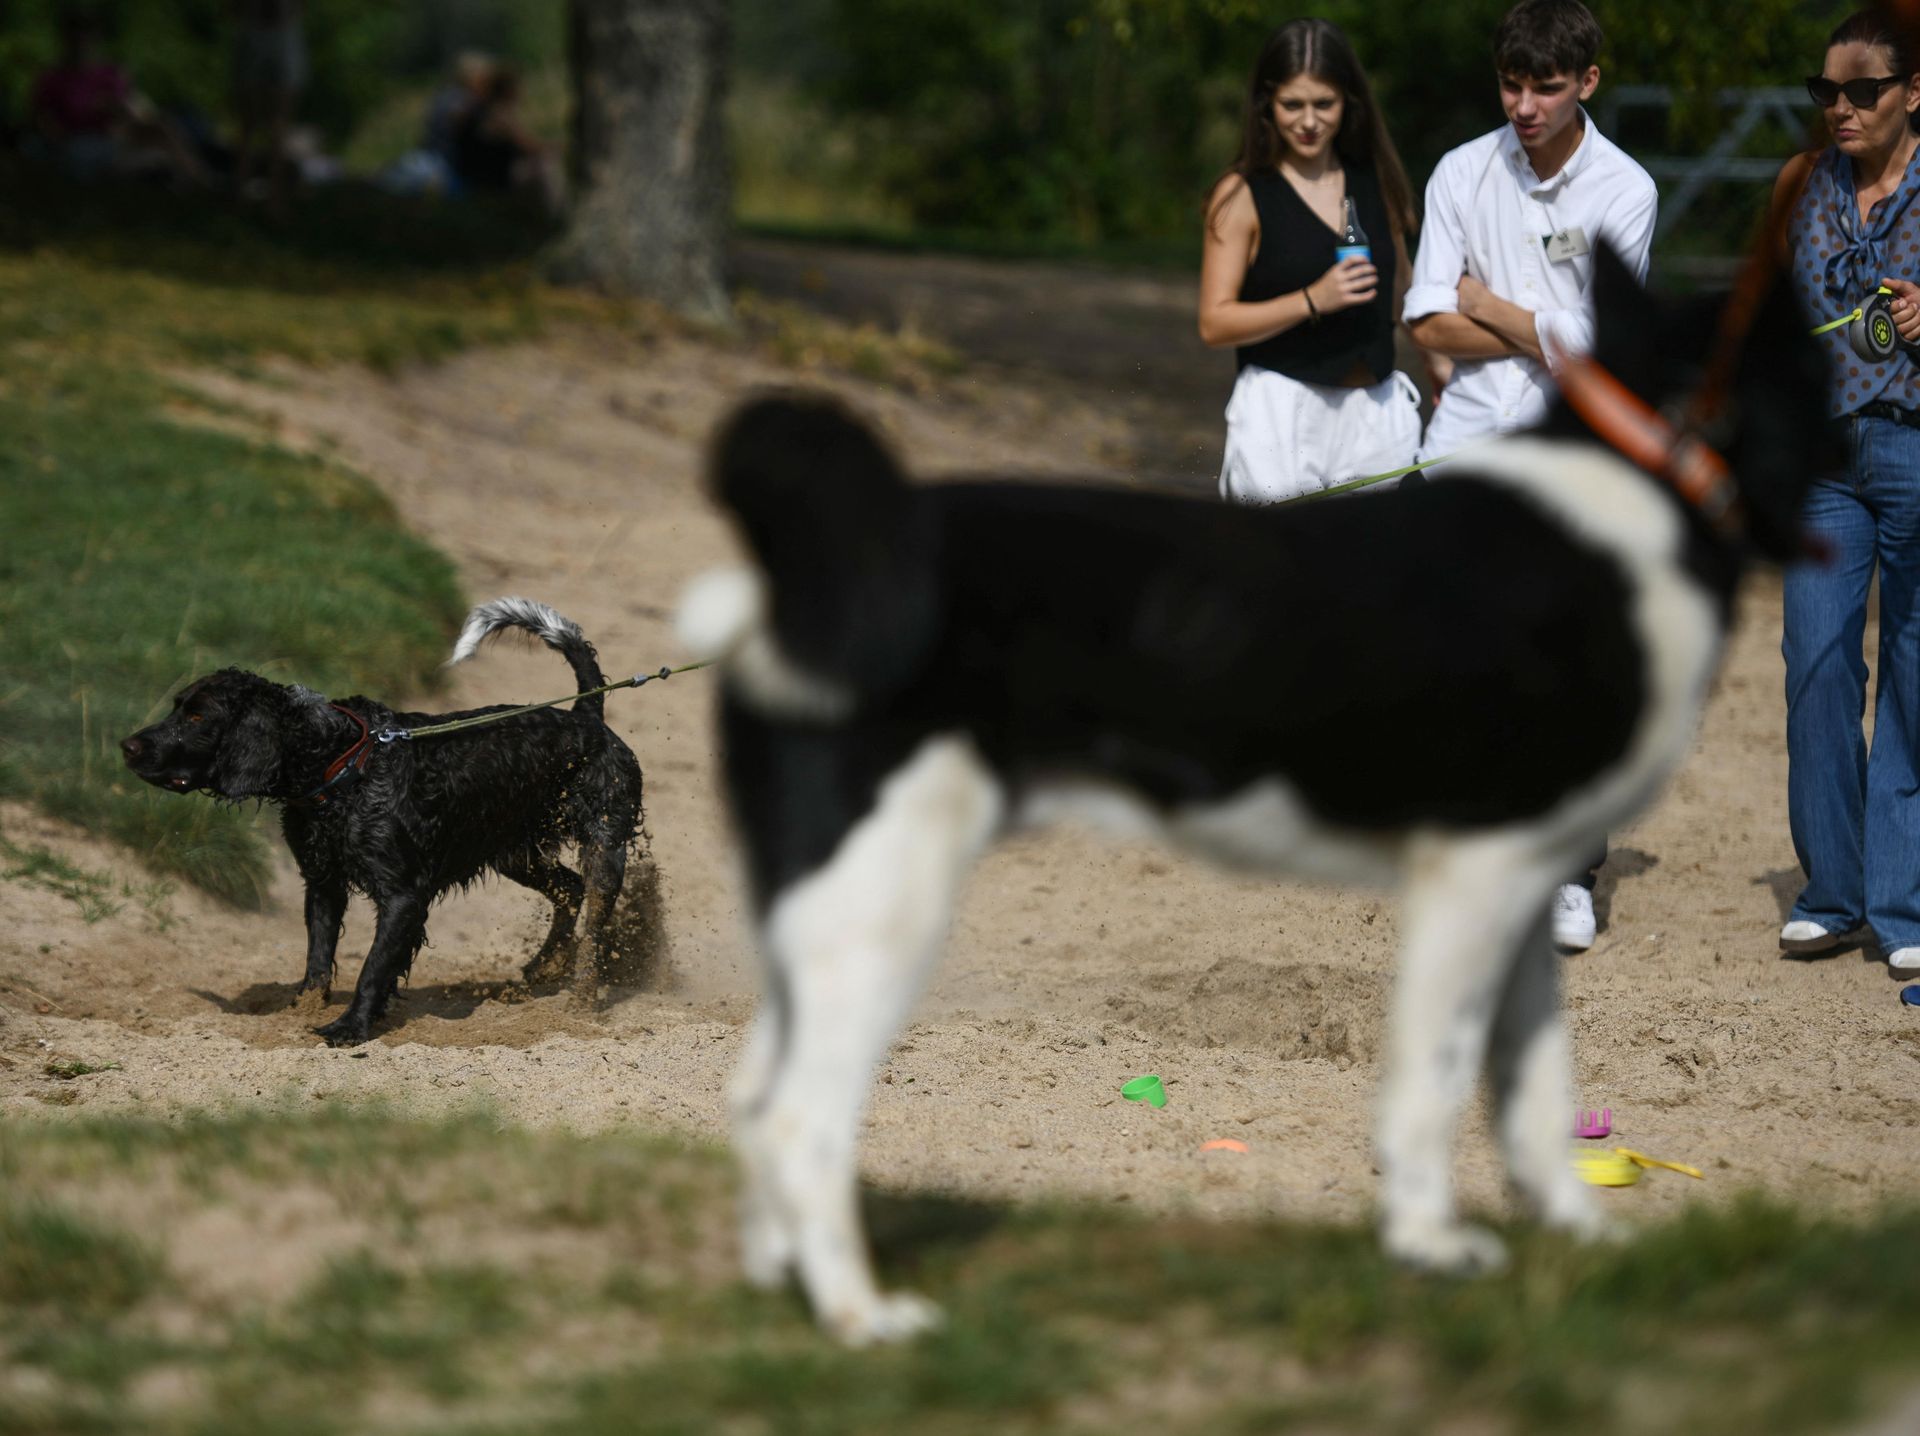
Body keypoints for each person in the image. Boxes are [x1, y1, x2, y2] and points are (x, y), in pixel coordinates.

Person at [1402, 0, 1657, 952]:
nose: (1524, 104)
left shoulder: (1625, 189)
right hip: (1464, 441)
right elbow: (1425, 322)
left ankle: (1566, 876)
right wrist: (1540, 326)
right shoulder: (1460, 171)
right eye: (1512, 83)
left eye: (1546, 85)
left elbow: (1601, 354)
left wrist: (1490, 304)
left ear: (1587, 81)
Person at [1774, 9, 1920, 975]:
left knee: (1914, 677)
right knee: (1817, 663)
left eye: (1863, 91)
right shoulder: (1803, 185)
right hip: (1823, 465)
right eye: (1827, 92)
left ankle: (1903, 906)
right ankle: (1833, 894)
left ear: (1913, 93)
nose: (1842, 108)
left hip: (1916, 449)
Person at [1198, 18, 1424, 506]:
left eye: (1324, 104)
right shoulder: (1241, 194)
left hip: (1377, 414)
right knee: (1283, 575)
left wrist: (1447, 364)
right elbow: (1214, 323)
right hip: (1282, 413)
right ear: (1266, 104)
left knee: (1385, 575)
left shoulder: (1377, 182)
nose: (1308, 121)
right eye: (1292, 105)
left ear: (1349, 102)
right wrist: (1311, 300)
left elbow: (1404, 296)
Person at [451, 67, 561, 215]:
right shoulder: (501, 114)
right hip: (492, 179)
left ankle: (547, 214)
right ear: (509, 89)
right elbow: (529, 146)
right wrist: (557, 146)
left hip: (478, 174)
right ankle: (557, 215)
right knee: (546, 165)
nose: (522, 90)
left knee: (539, 163)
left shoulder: (484, 110)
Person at [231, 0, 307, 208]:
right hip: (264, 29)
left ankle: (267, 194)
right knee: (258, 123)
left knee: (271, 124)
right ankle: (256, 194)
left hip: (274, 29)